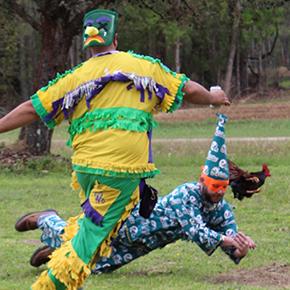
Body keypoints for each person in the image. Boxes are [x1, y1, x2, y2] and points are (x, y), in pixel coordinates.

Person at [0, 8, 230, 290]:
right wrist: (214, 97)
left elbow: (30, 109)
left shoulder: (75, 77)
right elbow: (189, 89)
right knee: (90, 241)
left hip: (85, 172)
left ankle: (51, 228)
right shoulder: (143, 67)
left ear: (87, 44)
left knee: (98, 230)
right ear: (116, 39)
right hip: (119, 174)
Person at [16, 114, 255, 277]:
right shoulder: (187, 194)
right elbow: (196, 230)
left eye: (223, 187)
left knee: (97, 268)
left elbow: (230, 239)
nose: (219, 191)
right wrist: (228, 239)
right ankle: (47, 219)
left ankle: (52, 254)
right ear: (203, 179)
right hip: (130, 222)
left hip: (144, 244)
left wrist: (239, 248)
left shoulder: (222, 210)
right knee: (84, 239)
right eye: (214, 185)